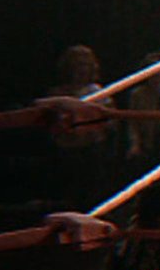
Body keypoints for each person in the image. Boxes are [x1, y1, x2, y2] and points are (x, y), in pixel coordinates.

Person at [44, 44, 117, 211]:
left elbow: (110, 121)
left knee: (92, 191)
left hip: (92, 148)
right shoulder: (57, 93)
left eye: (85, 64)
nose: (81, 69)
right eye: (77, 64)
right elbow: (49, 122)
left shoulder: (99, 92)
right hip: (66, 150)